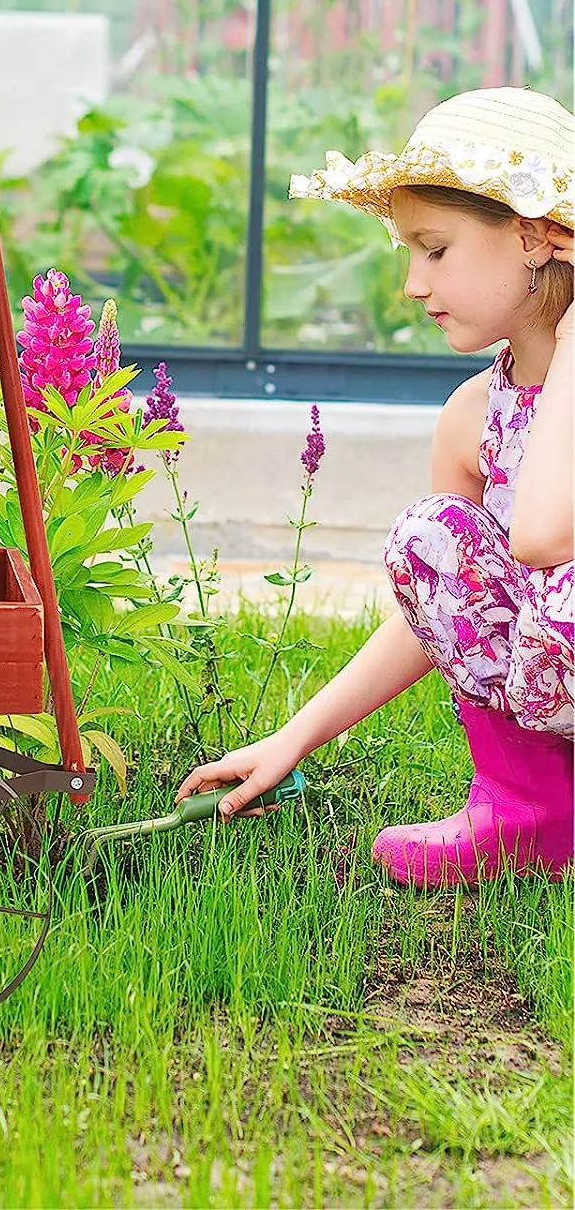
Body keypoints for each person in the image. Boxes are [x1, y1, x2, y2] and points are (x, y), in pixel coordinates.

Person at [175, 86, 573, 888]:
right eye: (409, 257)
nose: (413, 286)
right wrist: (292, 739)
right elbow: (442, 609)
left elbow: (539, 539)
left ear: (532, 237)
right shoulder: (472, 419)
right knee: (432, 537)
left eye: (435, 249)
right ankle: (531, 808)